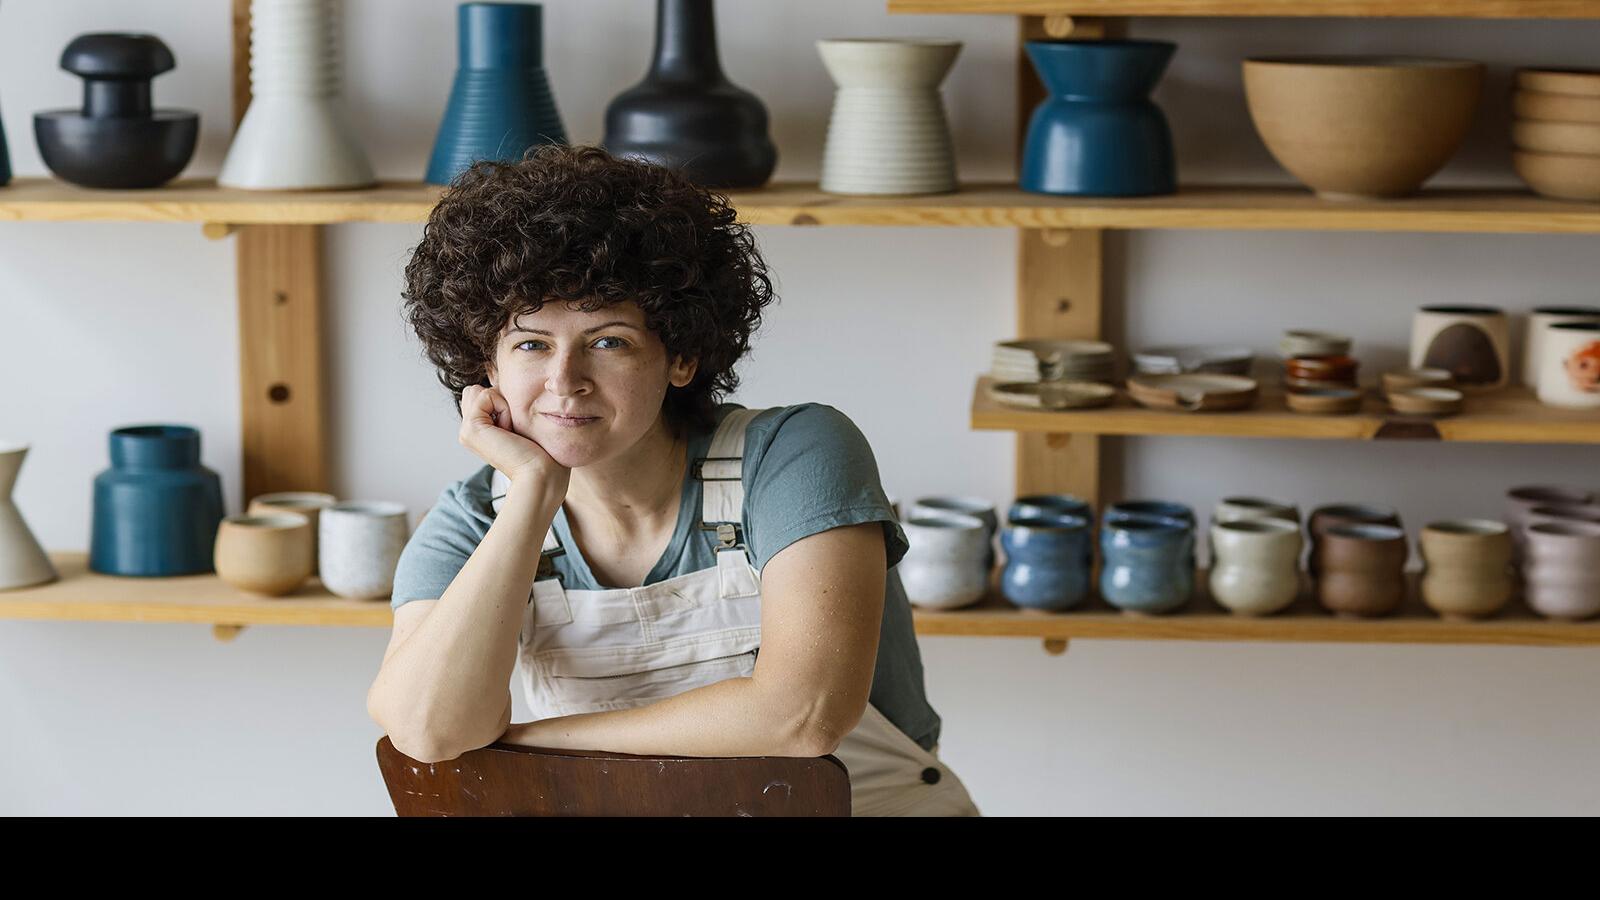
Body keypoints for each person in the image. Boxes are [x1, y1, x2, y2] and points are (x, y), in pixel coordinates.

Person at [366, 144, 980, 817]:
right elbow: (425, 730)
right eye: (532, 344)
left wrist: (528, 746)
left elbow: (803, 715)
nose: (564, 381)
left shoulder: (795, 454)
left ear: (682, 355)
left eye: (608, 342)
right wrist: (535, 494)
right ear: (488, 364)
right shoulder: (474, 519)